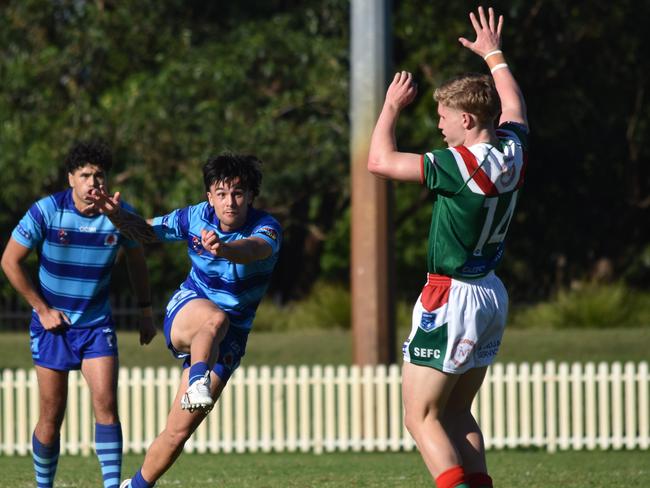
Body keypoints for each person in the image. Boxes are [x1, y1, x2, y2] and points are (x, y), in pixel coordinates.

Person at [367, 7, 528, 488]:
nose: (438, 127)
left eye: (442, 118)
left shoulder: (459, 165)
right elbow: (515, 107)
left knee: (420, 416)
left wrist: (392, 106)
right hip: (490, 293)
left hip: (451, 294)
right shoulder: (512, 150)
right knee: (458, 413)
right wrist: (494, 55)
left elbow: (379, 161)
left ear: (464, 118)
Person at [87, 153, 282, 488]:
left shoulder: (268, 228)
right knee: (214, 319)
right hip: (189, 309)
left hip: (232, 335)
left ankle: (134, 486)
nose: (229, 202)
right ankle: (198, 379)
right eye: (221, 194)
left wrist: (224, 250)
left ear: (251, 195)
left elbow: (253, 250)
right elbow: (146, 232)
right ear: (209, 196)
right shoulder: (195, 217)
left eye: (238, 193)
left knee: (177, 432)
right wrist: (117, 216)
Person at [0, 140, 157, 488]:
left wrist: (146, 311)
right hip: (52, 327)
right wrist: (42, 309)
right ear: (71, 178)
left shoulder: (118, 215)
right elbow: (9, 261)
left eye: (99, 175)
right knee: (51, 417)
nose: (92, 182)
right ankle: (44, 485)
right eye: (85, 175)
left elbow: (139, 256)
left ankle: (111, 485)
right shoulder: (46, 211)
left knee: (106, 404)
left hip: (95, 325)